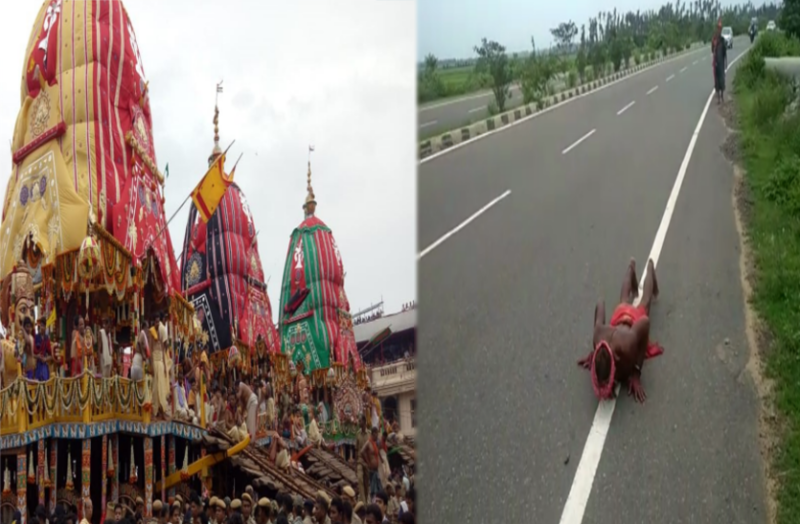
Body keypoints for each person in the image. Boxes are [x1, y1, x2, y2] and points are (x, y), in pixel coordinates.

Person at [577, 258, 663, 403]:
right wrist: (594, 355)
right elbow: (600, 303)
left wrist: (636, 373)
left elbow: (645, 323)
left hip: (634, 322)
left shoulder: (627, 345)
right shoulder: (598, 337)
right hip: (618, 318)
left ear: (615, 362)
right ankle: (631, 267)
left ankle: (649, 267)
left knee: (645, 302)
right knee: (623, 300)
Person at [361, 427, 382, 499]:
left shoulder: (375, 443)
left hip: (376, 470)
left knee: (378, 488)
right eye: (376, 434)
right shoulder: (368, 442)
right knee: (374, 490)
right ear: (373, 434)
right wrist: (368, 462)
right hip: (372, 470)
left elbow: (378, 452)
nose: (377, 436)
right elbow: (362, 451)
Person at [712, 18, 728, 104]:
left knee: (722, 79)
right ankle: (718, 98)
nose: (719, 30)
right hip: (716, 63)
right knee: (717, 80)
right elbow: (712, 50)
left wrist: (726, 63)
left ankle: (721, 97)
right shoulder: (714, 40)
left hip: (721, 63)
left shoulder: (722, 40)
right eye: (718, 28)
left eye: (720, 28)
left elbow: (725, 54)